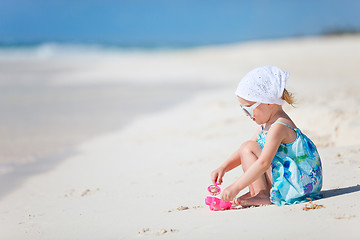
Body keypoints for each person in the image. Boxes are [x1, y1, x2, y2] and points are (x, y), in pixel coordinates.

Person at [211, 66, 322, 207]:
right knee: (247, 147)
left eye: (249, 108)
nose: (247, 114)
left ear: (269, 102)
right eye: (243, 109)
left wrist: (236, 187)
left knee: (249, 147)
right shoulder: (267, 125)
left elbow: (263, 163)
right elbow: (243, 152)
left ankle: (262, 194)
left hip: (300, 185)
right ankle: (258, 192)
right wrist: (223, 167)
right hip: (297, 180)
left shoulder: (279, 127)